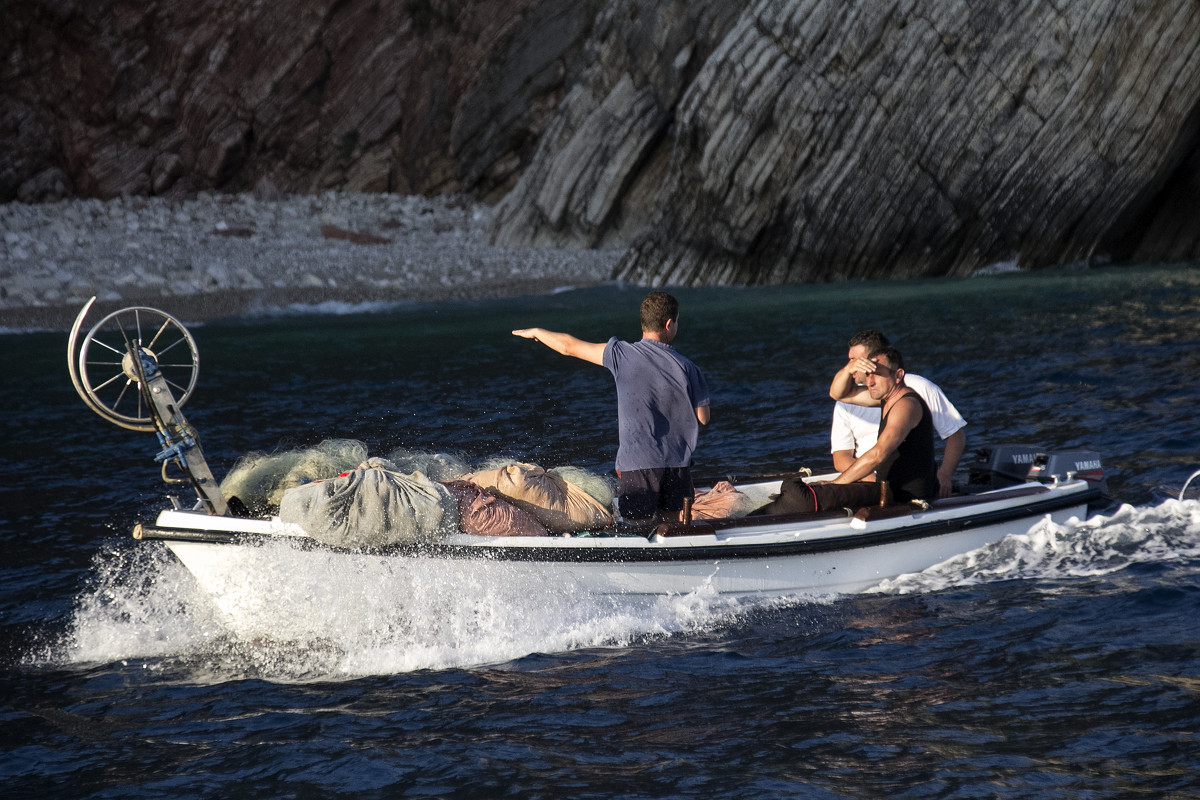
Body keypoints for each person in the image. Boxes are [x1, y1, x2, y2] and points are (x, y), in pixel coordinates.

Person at [512, 291, 711, 523]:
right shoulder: (689, 367)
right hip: (677, 465)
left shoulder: (620, 355)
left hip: (637, 466)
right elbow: (703, 418)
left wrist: (538, 332)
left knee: (637, 528)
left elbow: (568, 346)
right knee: (672, 525)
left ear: (644, 323)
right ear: (669, 324)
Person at [755, 346, 937, 515]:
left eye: (877, 375)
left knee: (802, 495)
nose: (870, 381)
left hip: (905, 497)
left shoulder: (906, 405)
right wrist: (849, 369)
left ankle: (756, 521)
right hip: (885, 489)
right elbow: (838, 394)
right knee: (803, 490)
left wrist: (836, 485)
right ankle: (755, 517)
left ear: (898, 375)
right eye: (867, 374)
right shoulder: (886, 398)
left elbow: (877, 455)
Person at [831, 330, 965, 498]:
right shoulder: (874, 395)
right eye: (851, 362)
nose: (853, 367)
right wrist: (866, 477)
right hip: (869, 478)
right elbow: (838, 394)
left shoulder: (913, 392)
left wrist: (945, 474)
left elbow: (955, 434)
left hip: (906, 489)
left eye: (857, 361)